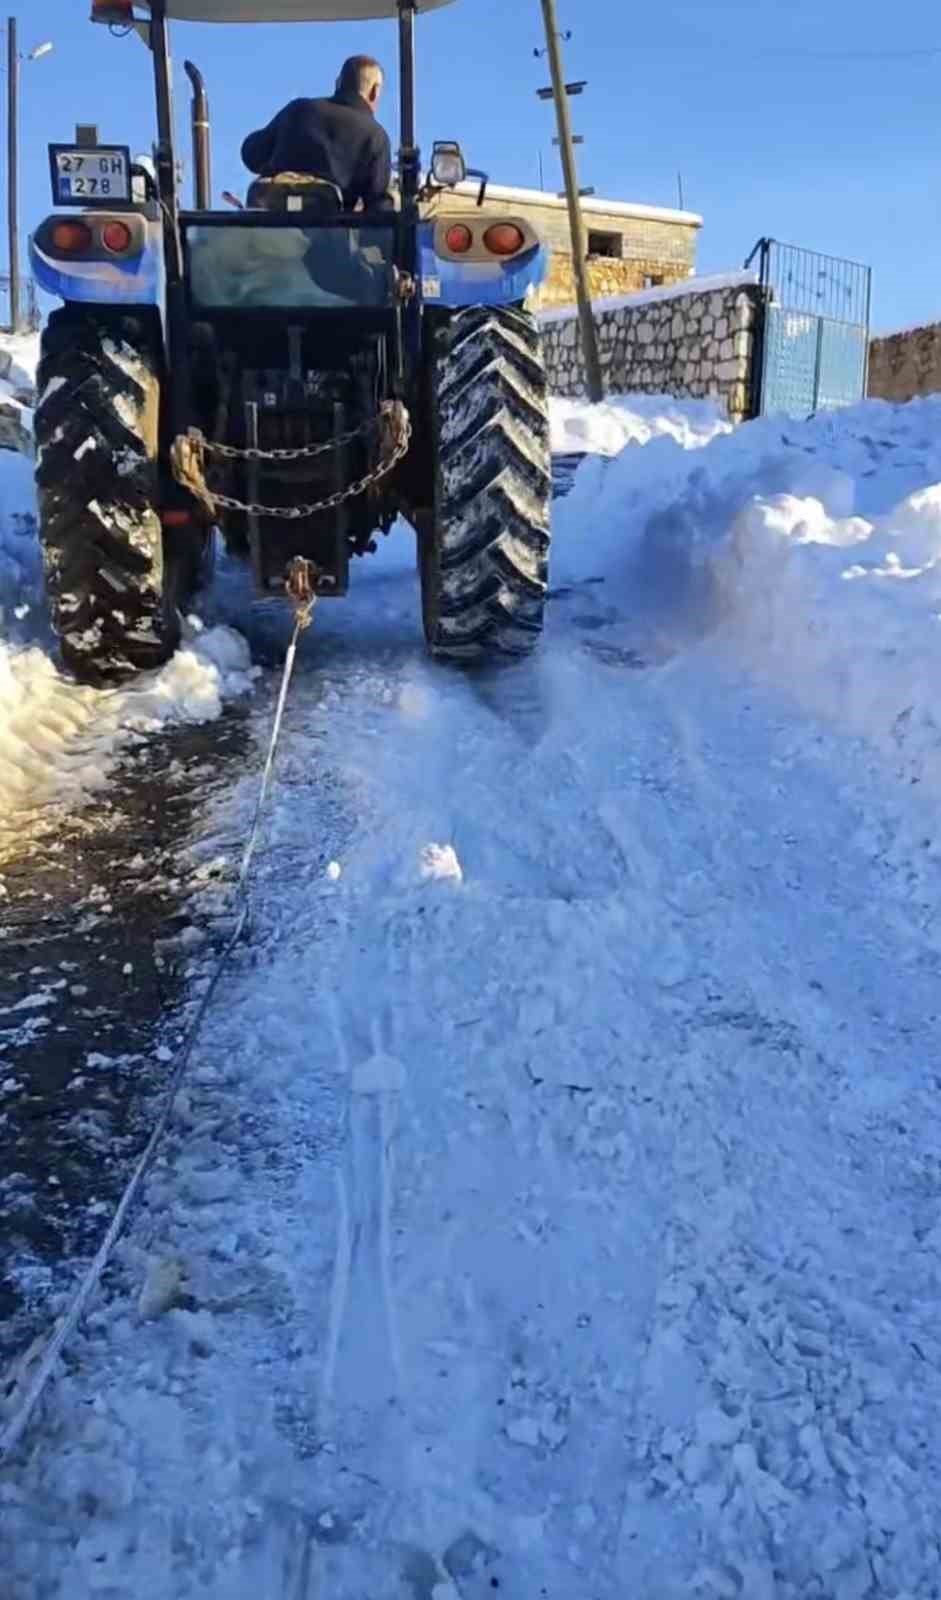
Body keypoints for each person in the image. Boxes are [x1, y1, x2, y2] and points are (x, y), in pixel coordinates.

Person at [241, 56, 393, 212]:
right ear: (375, 91)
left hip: (273, 232)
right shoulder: (375, 136)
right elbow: (378, 208)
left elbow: (251, 156)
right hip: (329, 234)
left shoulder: (298, 110)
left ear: (338, 83)